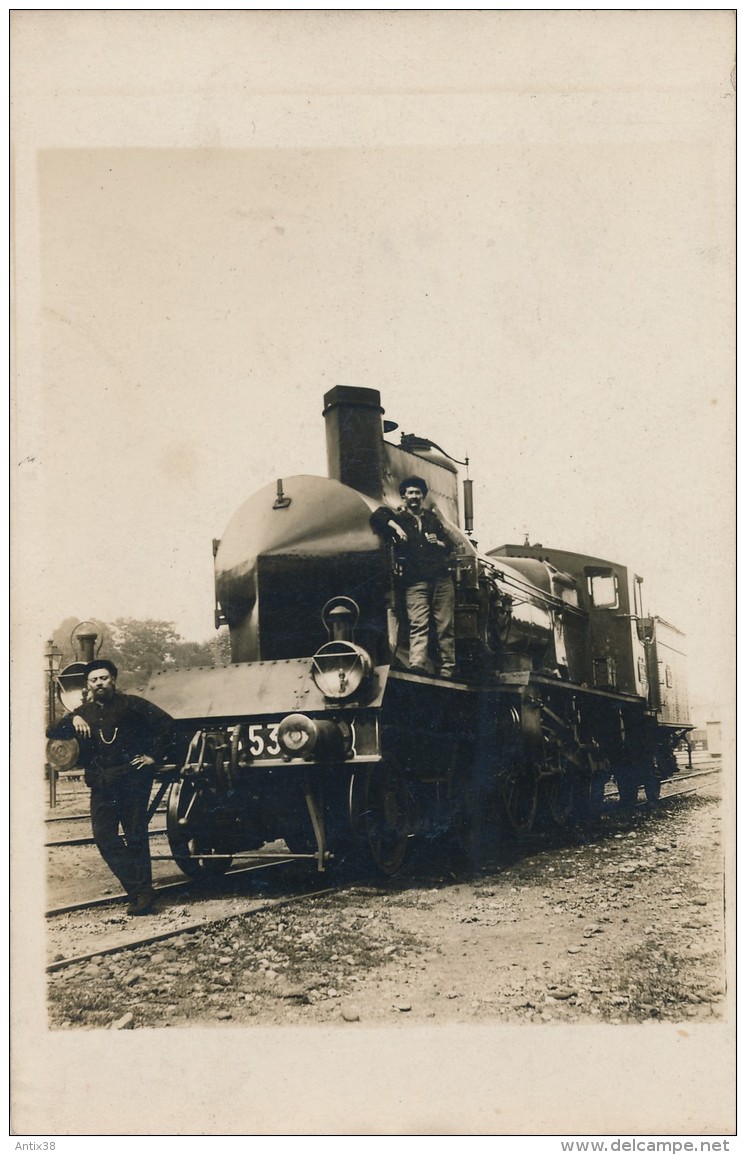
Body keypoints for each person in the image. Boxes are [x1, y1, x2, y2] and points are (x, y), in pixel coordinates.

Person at [46, 658, 174, 915]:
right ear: (89, 684)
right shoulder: (85, 712)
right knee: (104, 838)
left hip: (133, 779)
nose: (99, 683)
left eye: (104, 678)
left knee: (135, 835)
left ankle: (141, 895)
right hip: (103, 783)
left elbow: (167, 724)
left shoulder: (133, 705)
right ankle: (140, 889)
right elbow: (52, 731)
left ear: (113, 680)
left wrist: (153, 756)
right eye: (94, 680)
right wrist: (73, 718)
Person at [371, 476, 456, 678]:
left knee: (445, 625)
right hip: (415, 581)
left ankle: (448, 668)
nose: (415, 496)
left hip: (441, 580)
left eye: (418, 493)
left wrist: (439, 544)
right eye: (410, 492)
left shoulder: (432, 520)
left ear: (423, 496)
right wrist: (396, 527)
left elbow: (450, 545)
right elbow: (378, 516)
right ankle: (417, 664)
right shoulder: (399, 518)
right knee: (418, 623)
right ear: (404, 496)